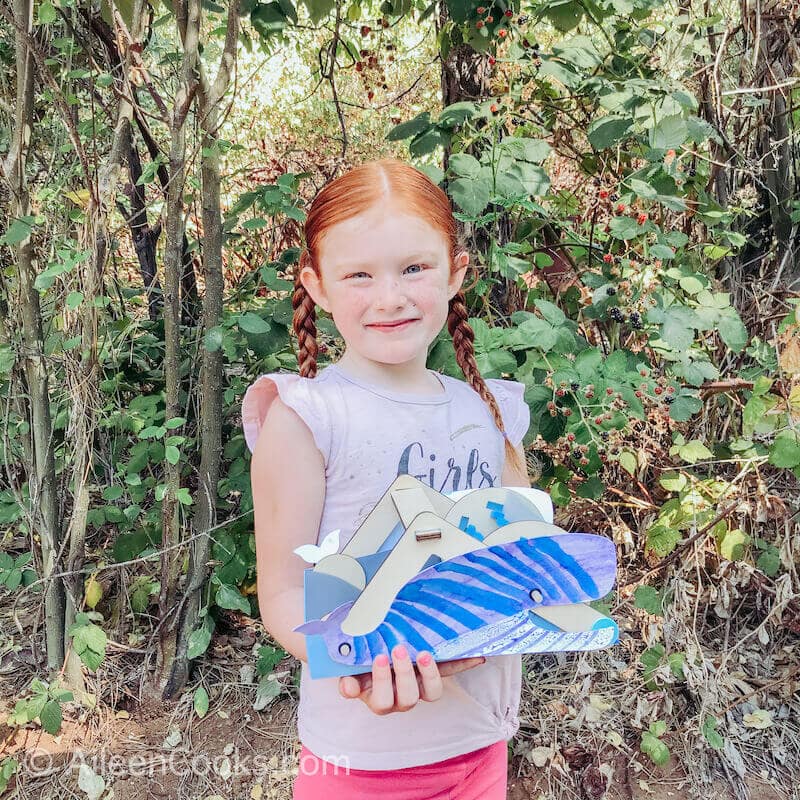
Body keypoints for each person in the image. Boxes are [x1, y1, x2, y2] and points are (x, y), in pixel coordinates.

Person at [242, 158, 531, 799]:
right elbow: (285, 595)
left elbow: (510, 557)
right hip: (357, 762)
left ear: (456, 270)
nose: (390, 297)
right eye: (359, 275)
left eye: (414, 268)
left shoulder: (487, 411)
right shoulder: (306, 418)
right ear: (316, 286)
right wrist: (366, 661)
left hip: (481, 743)